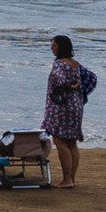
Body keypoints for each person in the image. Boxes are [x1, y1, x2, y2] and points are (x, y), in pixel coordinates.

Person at [42, 34, 86, 189]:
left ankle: (67, 179)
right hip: (76, 105)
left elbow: (61, 81)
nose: (52, 49)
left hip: (62, 106)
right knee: (72, 142)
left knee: (60, 141)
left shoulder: (59, 64)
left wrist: (68, 86)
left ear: (61, 47)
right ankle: (71, 178)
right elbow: (90, 78)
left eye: (54, 46)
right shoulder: (75, 64)